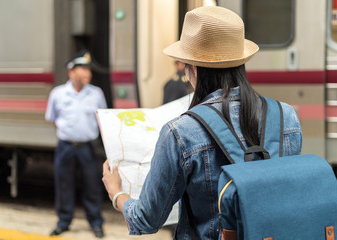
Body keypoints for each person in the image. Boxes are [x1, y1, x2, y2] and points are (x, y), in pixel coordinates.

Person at [102, 6, 302, 239]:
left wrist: (116, 193)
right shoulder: (286, 116)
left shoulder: (180, 133)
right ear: (241, 63)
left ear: (193, 68)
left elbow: (146, 220)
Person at [45, 50, 107, 238]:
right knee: (64, 185)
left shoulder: (96, 93)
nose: (88, 73)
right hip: (65, 147)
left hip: (87, 147)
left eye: (89, 70)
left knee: (92, 185)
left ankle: (96, 222)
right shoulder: (58, 94)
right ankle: (63, 221)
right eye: (83, 70)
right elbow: (52, 118)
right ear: (71, 72)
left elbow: (102, 119)